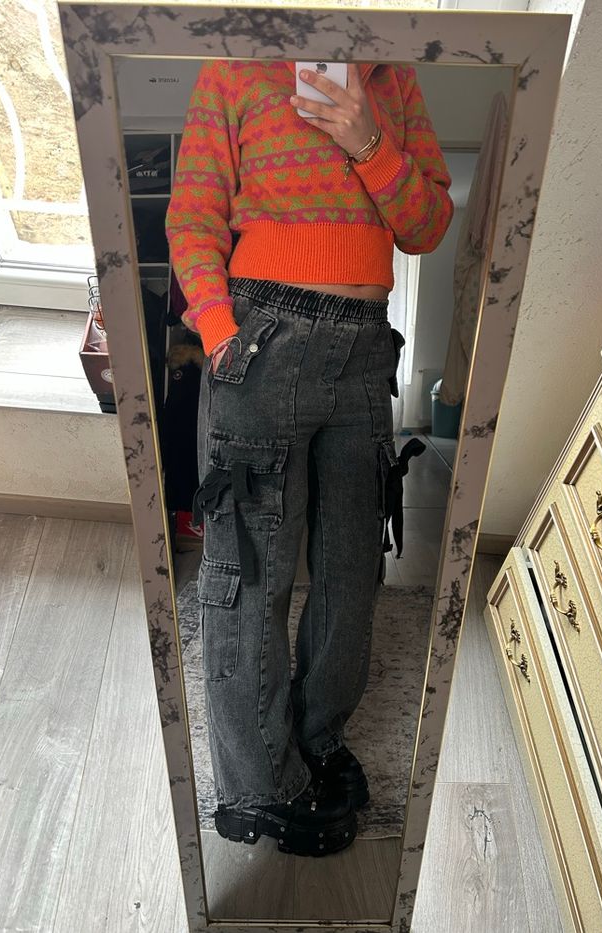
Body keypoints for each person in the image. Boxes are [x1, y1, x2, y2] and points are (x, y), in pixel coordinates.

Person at [165, 57, 453, 857]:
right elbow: (192, 216)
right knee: (251, 568)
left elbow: (427, 224)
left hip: (366, 349)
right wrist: (220, 334)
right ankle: (257, 787)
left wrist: (369, 141)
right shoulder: (234, 65)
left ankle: (317, 735)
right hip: (263, 338)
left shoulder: (391, 74)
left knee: (353, 566)